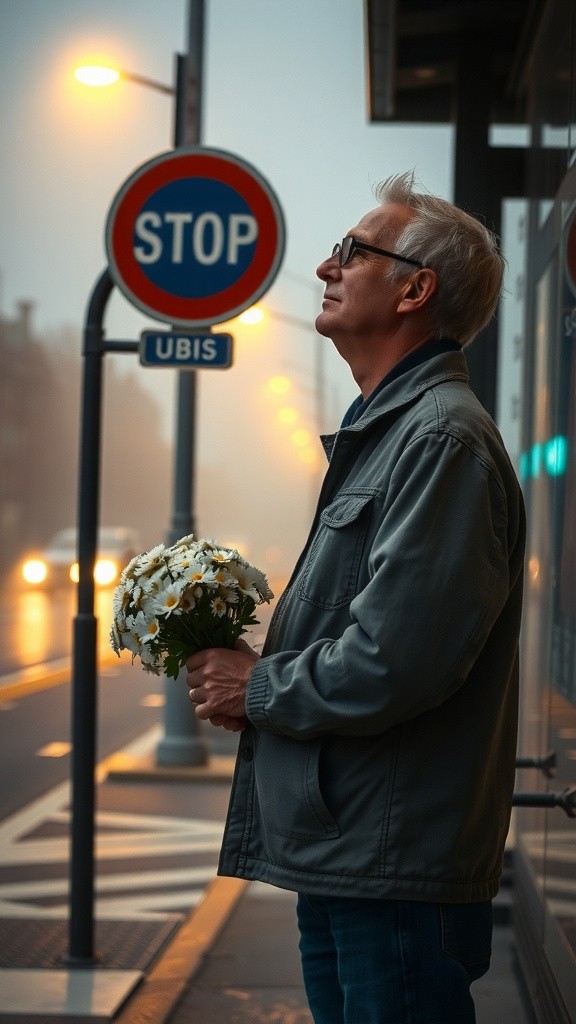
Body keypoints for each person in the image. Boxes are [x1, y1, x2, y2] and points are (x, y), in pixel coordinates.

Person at [185, 171, 526, 1024]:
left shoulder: (440, 440)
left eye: (351, 252)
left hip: (393, 867)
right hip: (358, 855)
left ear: (416, 289)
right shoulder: (396, 431)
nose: (325, 269)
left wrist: (257, 687)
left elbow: (392, 661)